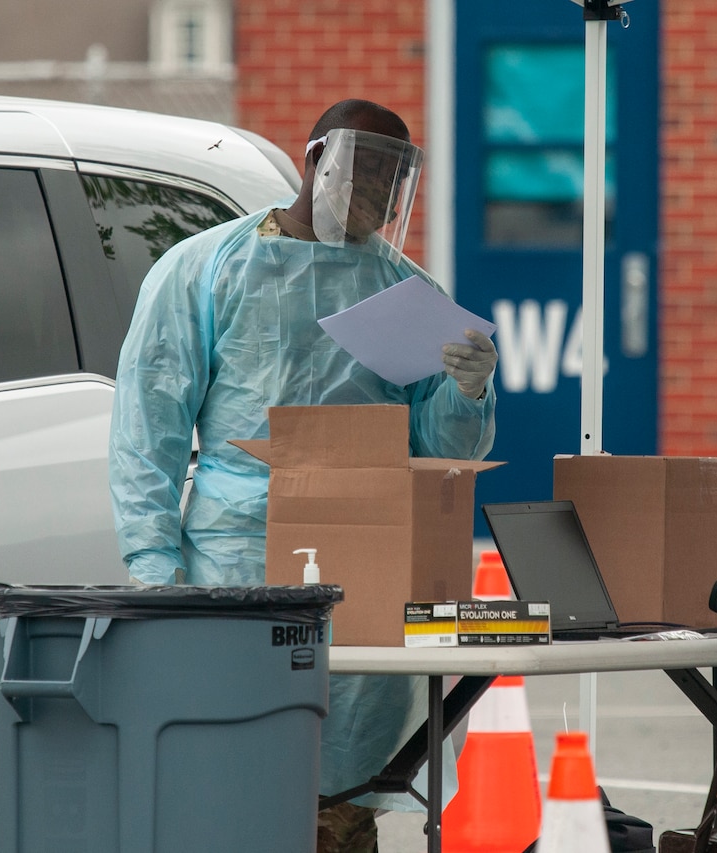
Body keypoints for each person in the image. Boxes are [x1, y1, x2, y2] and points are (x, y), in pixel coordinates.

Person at [108, 99, 497, 852]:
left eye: (393, 183)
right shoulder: (206, 269)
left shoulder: (405, 292)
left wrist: (468, 388)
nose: (379, 198)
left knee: (341, 806)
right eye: (367, 174)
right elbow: (147, 430)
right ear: (317, 159)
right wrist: (153, 572)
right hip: (234, 570)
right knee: (232, 793)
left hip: (367, 571)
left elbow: (441, 451)